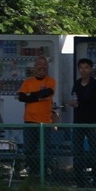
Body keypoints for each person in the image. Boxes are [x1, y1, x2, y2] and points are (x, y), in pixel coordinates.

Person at [16, 55, 57, 183]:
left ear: (47, 67)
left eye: (44, 65)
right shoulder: (28, 82)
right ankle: (32, 172)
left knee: (45, 149)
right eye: (39, 64)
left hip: (45, 121)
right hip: (29, 120)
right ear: (34, 67)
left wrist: (31, 96)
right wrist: (38, 97)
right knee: (29, 148)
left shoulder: (51, 81)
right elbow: (21, 97)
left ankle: (45, 172)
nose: (42, 67)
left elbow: (47, 92)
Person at [68, 57, 96, 187]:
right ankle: (79, 180)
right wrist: (71, 103)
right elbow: (73, 99)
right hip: (78, 122)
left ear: (91, 69)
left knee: (94, 151)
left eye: (86, 67)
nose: (83, 70)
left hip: (92, 122)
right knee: (77, 151)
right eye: (81, 67)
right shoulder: (77, 83)